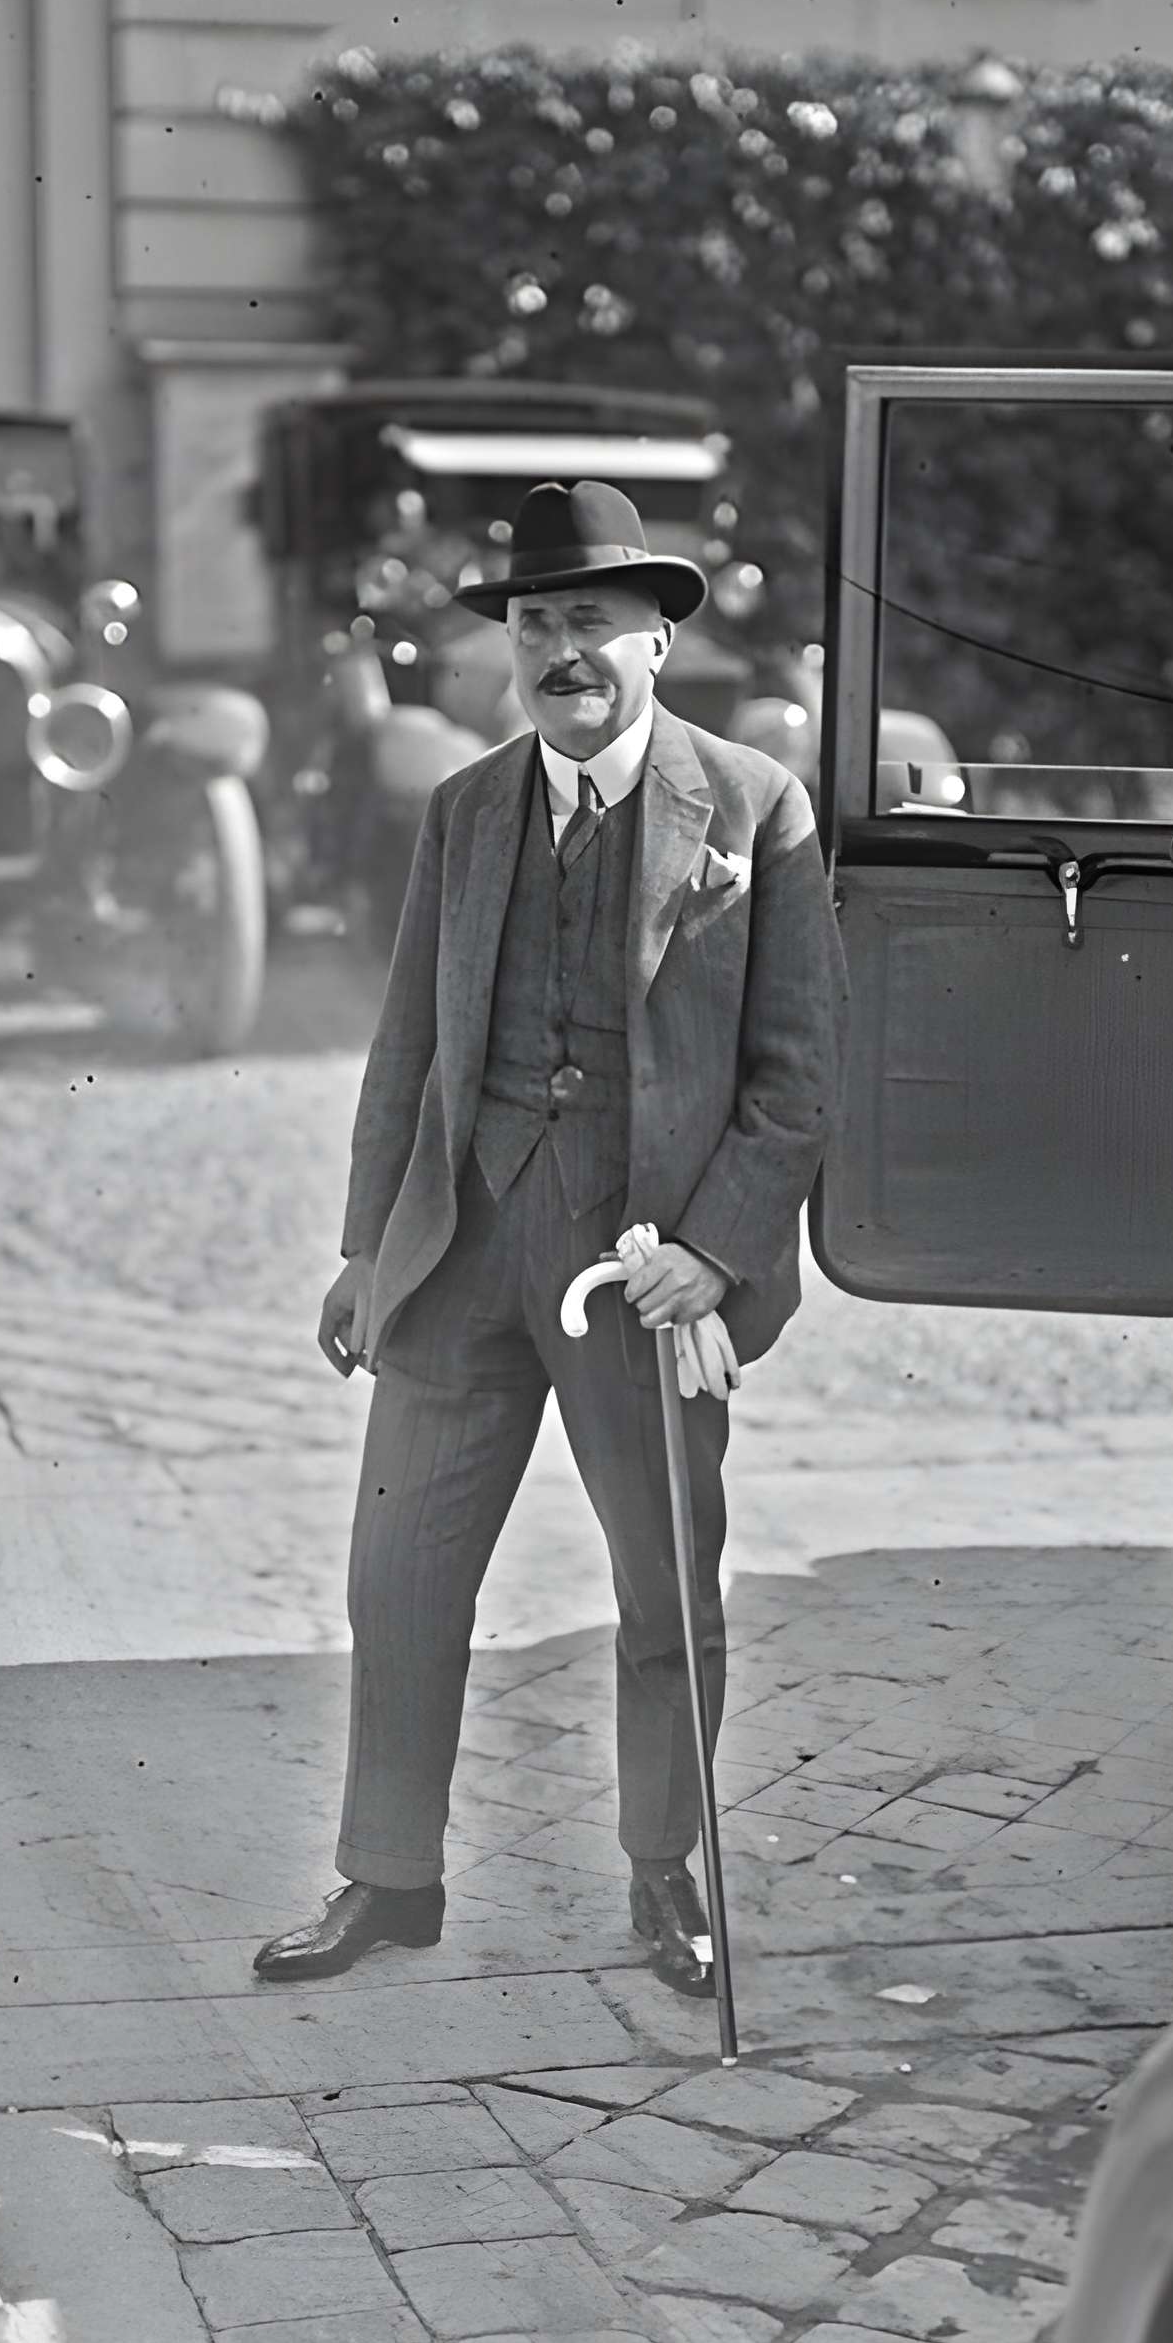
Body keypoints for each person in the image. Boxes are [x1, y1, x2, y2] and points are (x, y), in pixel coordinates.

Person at [257, 480, 846, 1997]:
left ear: (658, 641)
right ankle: (389, 1877)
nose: (561, 652)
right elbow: (408, 1048)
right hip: (462, 1248)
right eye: (534, 625)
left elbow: (799, 1076)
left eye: (592, 620)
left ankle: (665, 1873)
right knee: (398, 1576)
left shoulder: (754, 808)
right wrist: (366, 1250)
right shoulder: (465, 811)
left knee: (665, 1589)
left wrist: (715, 1251)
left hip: (642, 1272)